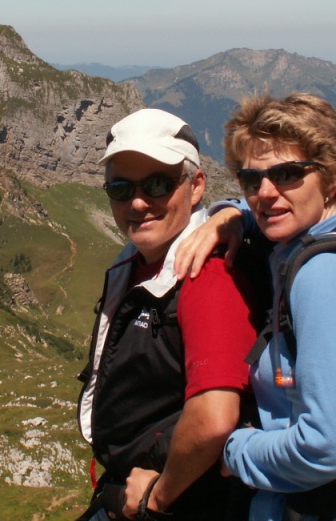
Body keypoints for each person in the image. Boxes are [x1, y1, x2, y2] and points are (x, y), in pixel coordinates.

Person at [174, 93, 336, 521]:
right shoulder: (327, 241)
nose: (266, 193)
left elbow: (329, 446)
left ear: (332, 179)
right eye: (251, 179)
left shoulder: (327, 276)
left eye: (287, 174)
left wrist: (234, 450)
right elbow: (266, 205)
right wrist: (231, 214)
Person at [77, 108, 260, 521]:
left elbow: (215, 419)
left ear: (196, 186)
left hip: (182, 503)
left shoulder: (207, 275)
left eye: (158, 184)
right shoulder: (138, 260)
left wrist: (156, 499)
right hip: (131, 489)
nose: (138, 202)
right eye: (120, 188)